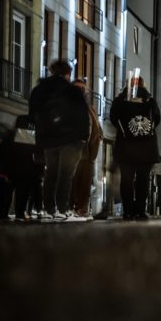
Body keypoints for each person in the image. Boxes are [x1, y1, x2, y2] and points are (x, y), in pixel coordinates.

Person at [28, 59, 92, 221]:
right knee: (66, 174)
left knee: (50, 173)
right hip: (70, 139)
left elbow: (32, 114)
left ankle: (49, 208)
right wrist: (84, 136)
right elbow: (82, 115)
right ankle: (62, 208)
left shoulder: (39, 90)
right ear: (67, 74)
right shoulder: (72, 91)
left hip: (48, 139)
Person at [109, 73, 161, 221]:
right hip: (146, 147)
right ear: (142, 84)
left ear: (128, 84)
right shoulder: (150, 100)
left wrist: (126, 132)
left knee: (126, 180)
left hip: (126, 147)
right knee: (143, 181)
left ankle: (128, 211)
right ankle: (140, 210)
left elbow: (113, 118)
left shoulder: (120, 100)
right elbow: (157, 119)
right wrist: (144, 132)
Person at [0, 115, 44, 222]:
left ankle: (4, 215)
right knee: (20, 194)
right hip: (21, 171)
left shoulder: (10, 134)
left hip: (12, 170)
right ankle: (17, 214)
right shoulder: (28, 135)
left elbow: (2, 152)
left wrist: (2, 171)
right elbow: (35, 154)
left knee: (5, 195)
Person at [69, 78, 103, 218]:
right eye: (79, 89)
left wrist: (98, 136)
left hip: (89, 154)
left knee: (85, 184)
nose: (83, 92)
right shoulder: (69, 107)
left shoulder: (91, 109)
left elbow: (97, 128)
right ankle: (70, 208)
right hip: (74, 152)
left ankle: (82, 208)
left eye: (84, 90)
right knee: (72, 183)